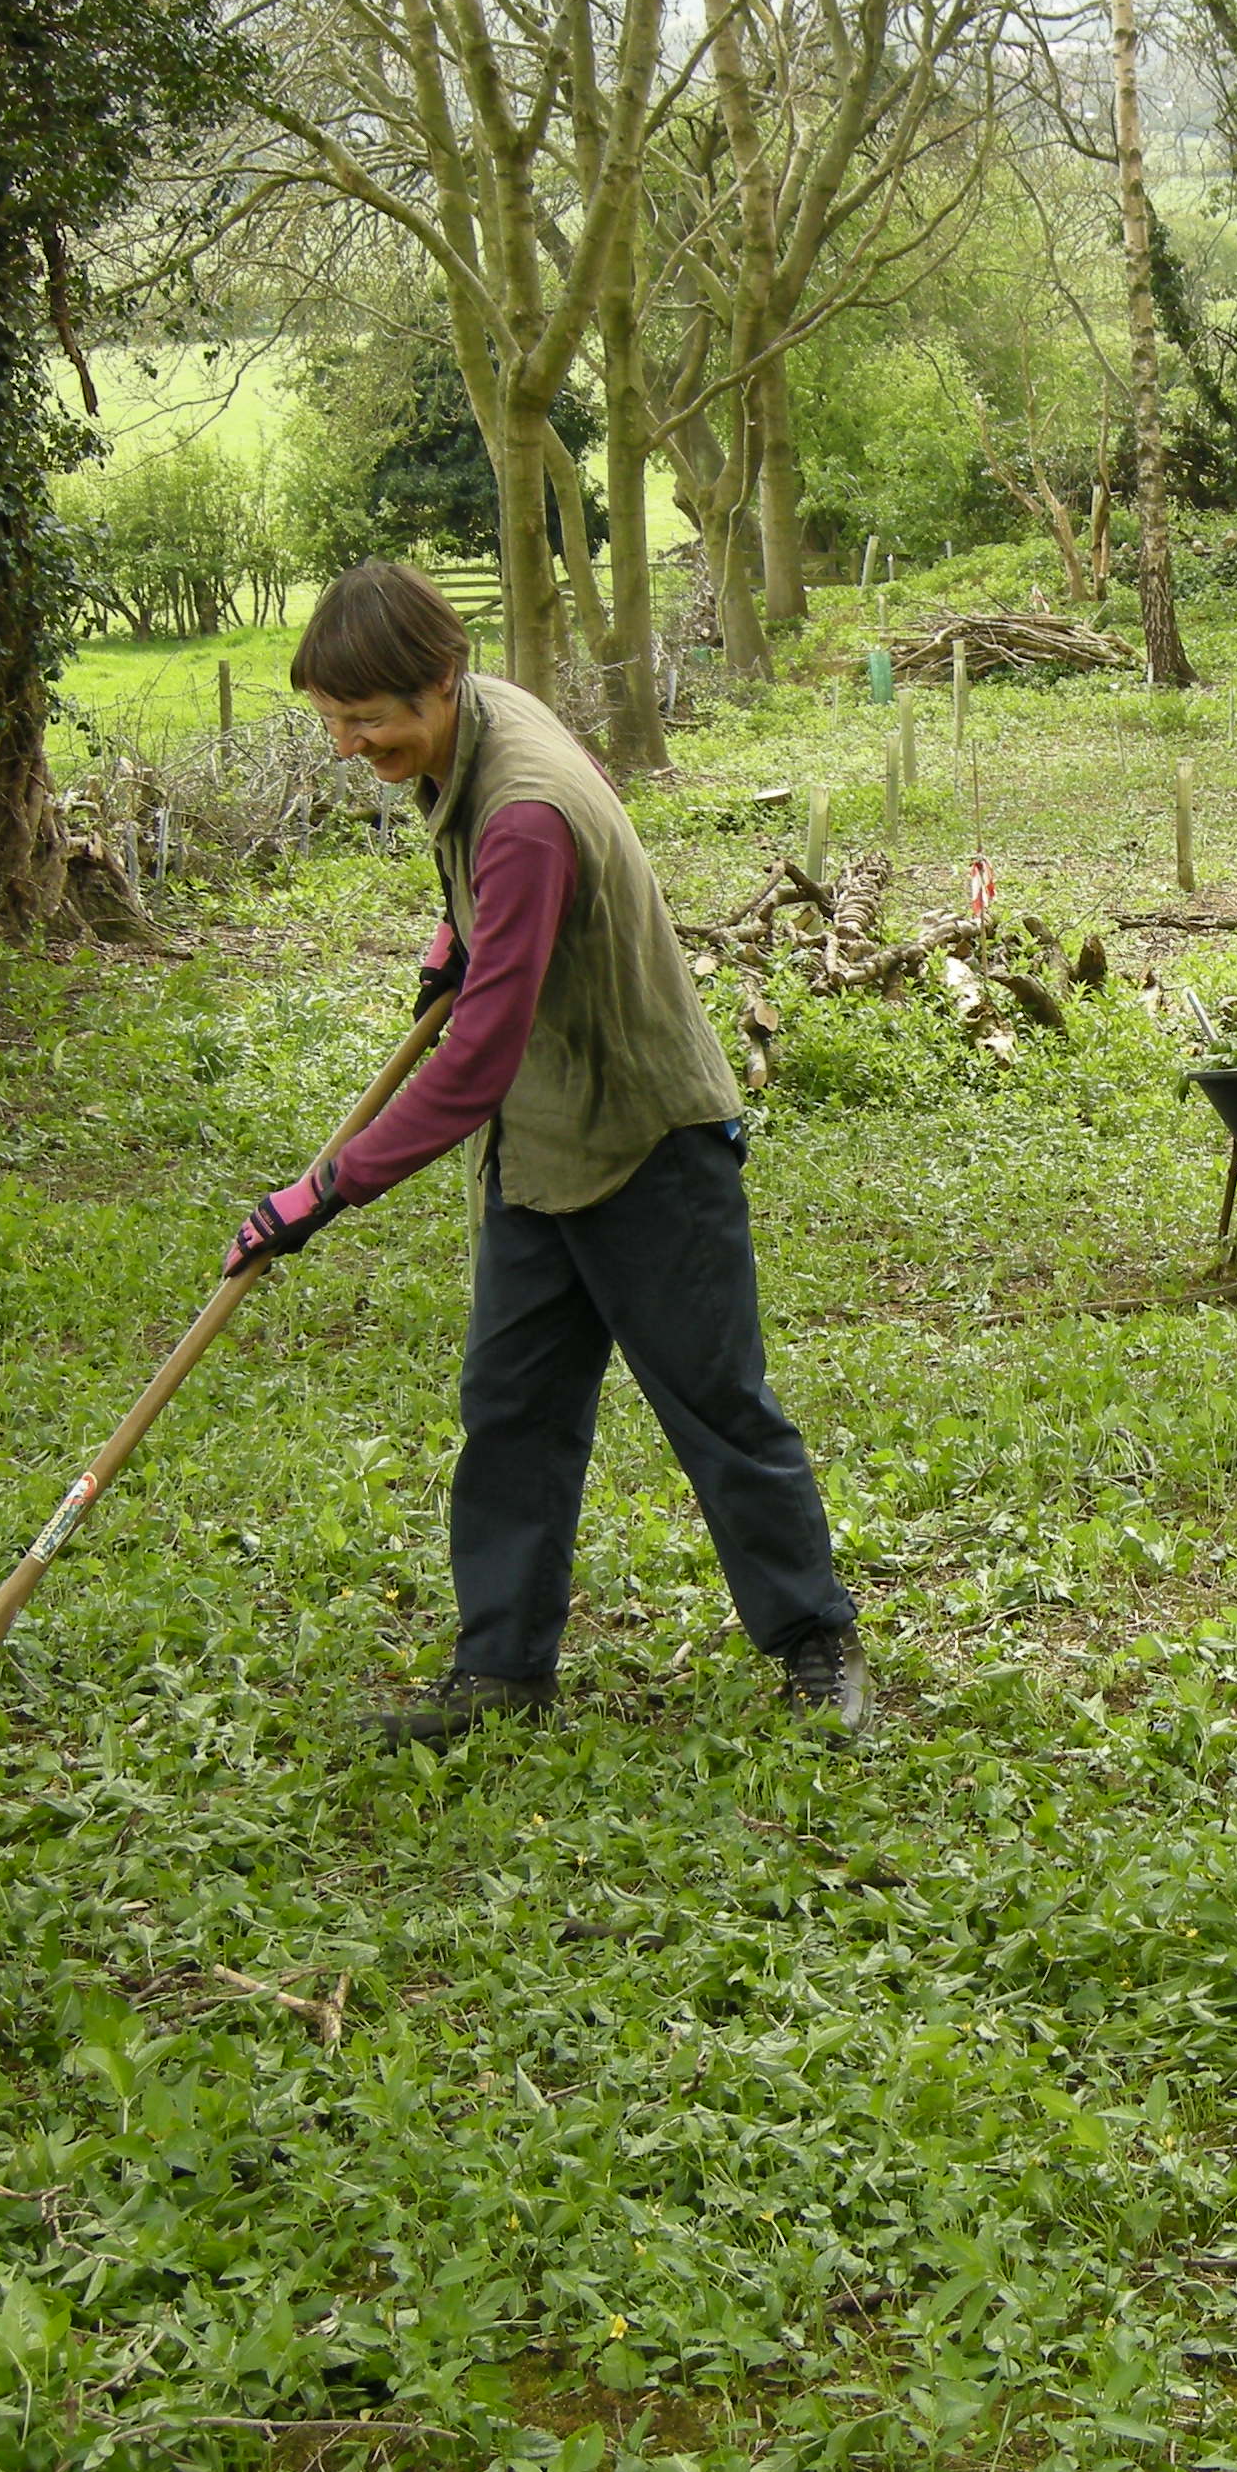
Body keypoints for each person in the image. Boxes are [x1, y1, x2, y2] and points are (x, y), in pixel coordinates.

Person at [227, 563, 868, 1742]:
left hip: (642, 1137)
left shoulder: (521, 806)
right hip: (541, 1142)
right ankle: (502, 1672)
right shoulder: (483, 716)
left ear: (441, 679)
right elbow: (496, 897)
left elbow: (472, 1064)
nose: (347, 746)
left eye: (367, 723)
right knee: (512, 1406)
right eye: (333, 722)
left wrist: (324, 1189)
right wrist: (455, 930)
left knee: (716, 1405)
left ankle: (816, 1640)